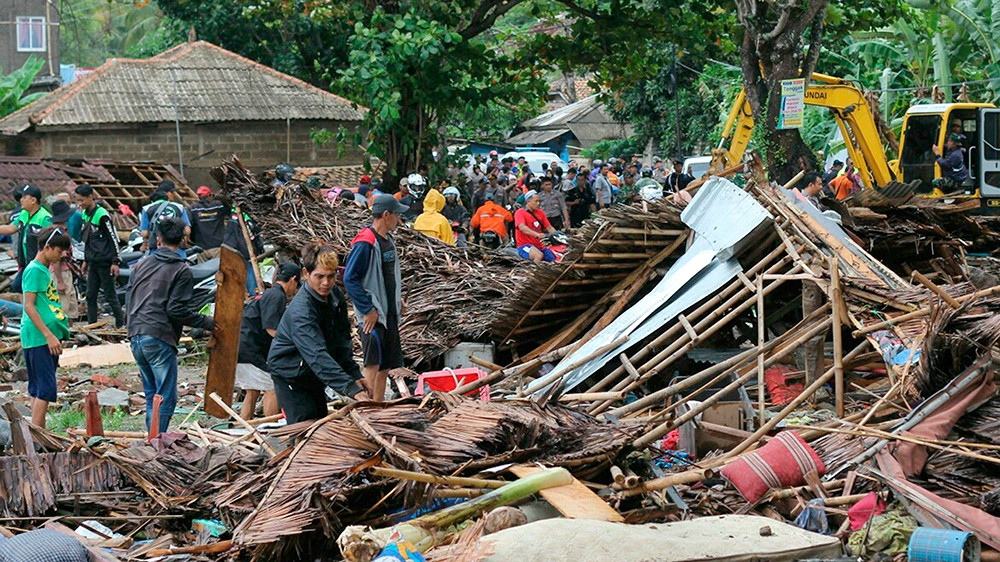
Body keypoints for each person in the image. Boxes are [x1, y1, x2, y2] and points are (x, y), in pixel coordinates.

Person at [126, 217, 215, 433]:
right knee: (165, 396)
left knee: (151, 394)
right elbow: (175, 310)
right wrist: (207, 322)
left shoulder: (142, 264)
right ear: (183, 241)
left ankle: (152, 441)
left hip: (136, 334)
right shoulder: (181, 269)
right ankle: (157, 443)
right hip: (157, 335)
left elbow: (129, 296)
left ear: (158, 240)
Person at [269, 244, 368, 422]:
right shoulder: (302, 311)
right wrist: (352, 389)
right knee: (304, 428)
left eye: (331, 276)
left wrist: (355, 375)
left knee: (320, 422)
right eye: (319, 276)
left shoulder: (335, 296)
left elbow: (341, 341)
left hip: (312, 372)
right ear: (306, 274)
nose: (325, 283)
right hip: (291, 373)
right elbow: (317, 355)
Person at [344, 195, 407, 404]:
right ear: (386, 215)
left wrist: (398, 301)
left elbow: (389, 276)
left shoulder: (388, 241)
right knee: (372, 364)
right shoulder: (366, 243)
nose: (398, 219)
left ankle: (378, 407)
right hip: (374, 315)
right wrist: (368, 309)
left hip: (388, 312)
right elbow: (350, 279)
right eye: (396, 214)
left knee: (385, 365)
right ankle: (367, 410)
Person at [21, 226, 72, 428]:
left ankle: (39, 435)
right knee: (46, 388)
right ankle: (35, 436)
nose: (61, 256)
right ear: (47, 247)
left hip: (44, 336)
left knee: (38, 389)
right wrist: (48, 334)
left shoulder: (42, 270)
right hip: (39, 337)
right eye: (59, 251)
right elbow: (29, 306)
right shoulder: (34, 270)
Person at [236, 263, 300, 420]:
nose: (295, 291)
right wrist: (292, 343)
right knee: (272, 385)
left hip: (240, 347)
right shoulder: (277, 295)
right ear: (293, 280)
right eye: (297, 285)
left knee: (252, 390)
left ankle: (245, 427)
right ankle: (271, 428)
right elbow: (271, 328)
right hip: (249, 349)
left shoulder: (268, 293)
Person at [76, 184, 125, 328]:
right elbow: (87, 239)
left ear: (91, 197)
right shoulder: (85, 214)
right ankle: (92, 325)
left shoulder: (102, 215)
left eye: (82, 200)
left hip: (105, 261)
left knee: (110, 295)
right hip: (93, 261)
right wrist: (85, 260)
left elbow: (113, 238)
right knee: (90, 295)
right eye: (77, 200)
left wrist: (115, 261)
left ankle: (120, 324)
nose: (80, 204)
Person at [0, 184, 53, 293]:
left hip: (39, 265)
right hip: (26, 263)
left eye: (24, 197)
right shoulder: (24, 214)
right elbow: (10, 228)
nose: (21, 200)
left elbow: (51, 244)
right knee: (18, 287)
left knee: (30, 290)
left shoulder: (44, 218)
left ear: (33, 200)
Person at [47, 201, 80, 321]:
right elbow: (55, 260)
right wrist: (60, 280)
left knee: (71, 302)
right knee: (63, 304)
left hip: (66, 271)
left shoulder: (62, 231)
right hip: (59, 272)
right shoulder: (56, 234)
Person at [223, 209, 266, 295]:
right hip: (241, 251)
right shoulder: (243, 217)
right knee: (249, 273)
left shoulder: (234, 216)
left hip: (234, 249)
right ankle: (254, 294)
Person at [139, 189, 190, 253]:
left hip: (156, 250)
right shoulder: (179, 207)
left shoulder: (147, 209)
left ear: (152, 201)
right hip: (177, 250)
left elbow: (144, 233)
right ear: (167, 199)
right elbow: (187, 231)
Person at [514, 190, 557, 262]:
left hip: (539, 245)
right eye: (536, 201)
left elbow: (549, 227)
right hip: (524, 246)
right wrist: (536, 234)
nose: (538, 203)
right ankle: (533, 273)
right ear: (528, 201)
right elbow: (522, 227)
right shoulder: (520, 212)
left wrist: (557, 235)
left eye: (539, 201)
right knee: (539, 256)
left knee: (553, 259)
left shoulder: (540, 212)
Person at [189, 186, 228, 261]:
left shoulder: (193, 208)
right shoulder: (218, 205)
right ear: (209, 195)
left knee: (203, 271)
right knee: (219, 270)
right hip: (217, 247)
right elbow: (229, 208)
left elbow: (189, 225)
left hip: (201, 249)